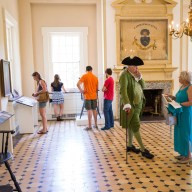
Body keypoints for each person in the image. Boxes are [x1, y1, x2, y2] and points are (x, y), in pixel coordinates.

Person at [119, 56, 154, 159]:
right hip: (131, 105)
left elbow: (144, 86)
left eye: (137, 67)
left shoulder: (135, 74)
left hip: (139, 103)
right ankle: (143, 150)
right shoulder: (124, 75)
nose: (137, 69)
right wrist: (127, 104)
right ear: (129, 66)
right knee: (135, 125)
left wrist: (140, 77)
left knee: (131, 124)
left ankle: (130, 145)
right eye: (135, 67)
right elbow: (123, 91)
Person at [166, 71, 192, 164]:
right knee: (179, 133)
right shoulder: (182, 87)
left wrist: (180, 104)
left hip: (185, 114)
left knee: (185, 134)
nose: (179, 78)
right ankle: (183, 153)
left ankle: (188, 156)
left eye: (180, 77)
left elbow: (190, 102)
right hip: (179, 112)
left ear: (185, 78)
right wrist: (171, 97)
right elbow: (178, 98)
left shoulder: (190, 88)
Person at [77, 66, 98, 130]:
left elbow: (78, 84)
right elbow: (97, 89)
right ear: (92, 70)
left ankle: (89, 126)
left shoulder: (84, 76)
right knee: (94, 109)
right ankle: (96, 124)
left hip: (87, 96)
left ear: (86, 70)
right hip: (94, 96)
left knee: (89, 110)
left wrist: (81, 90)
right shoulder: (95, 77)